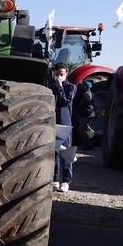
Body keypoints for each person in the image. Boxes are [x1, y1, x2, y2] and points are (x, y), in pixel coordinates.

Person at [49, 62, 77, 192]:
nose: (59, 76)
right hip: (53, 122)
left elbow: (65, 101)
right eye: (57, 74)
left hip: (65, 123)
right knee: (54, 152)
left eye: (61, 74)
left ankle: (66, 181)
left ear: (66, 74)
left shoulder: (71, 87)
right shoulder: (51, 88)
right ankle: (55, 179)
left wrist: (60, 87)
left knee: (66, 152)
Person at [74, 80, 96, 150]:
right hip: (88, 114)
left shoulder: (86, 94)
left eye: (83, 85)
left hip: (85, 115)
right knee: (87, 130)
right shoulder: (90, 93)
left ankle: (89, 144)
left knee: (82, 130)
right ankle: (89, 144)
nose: (81, 86)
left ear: (86, 87)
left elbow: (84, 104)